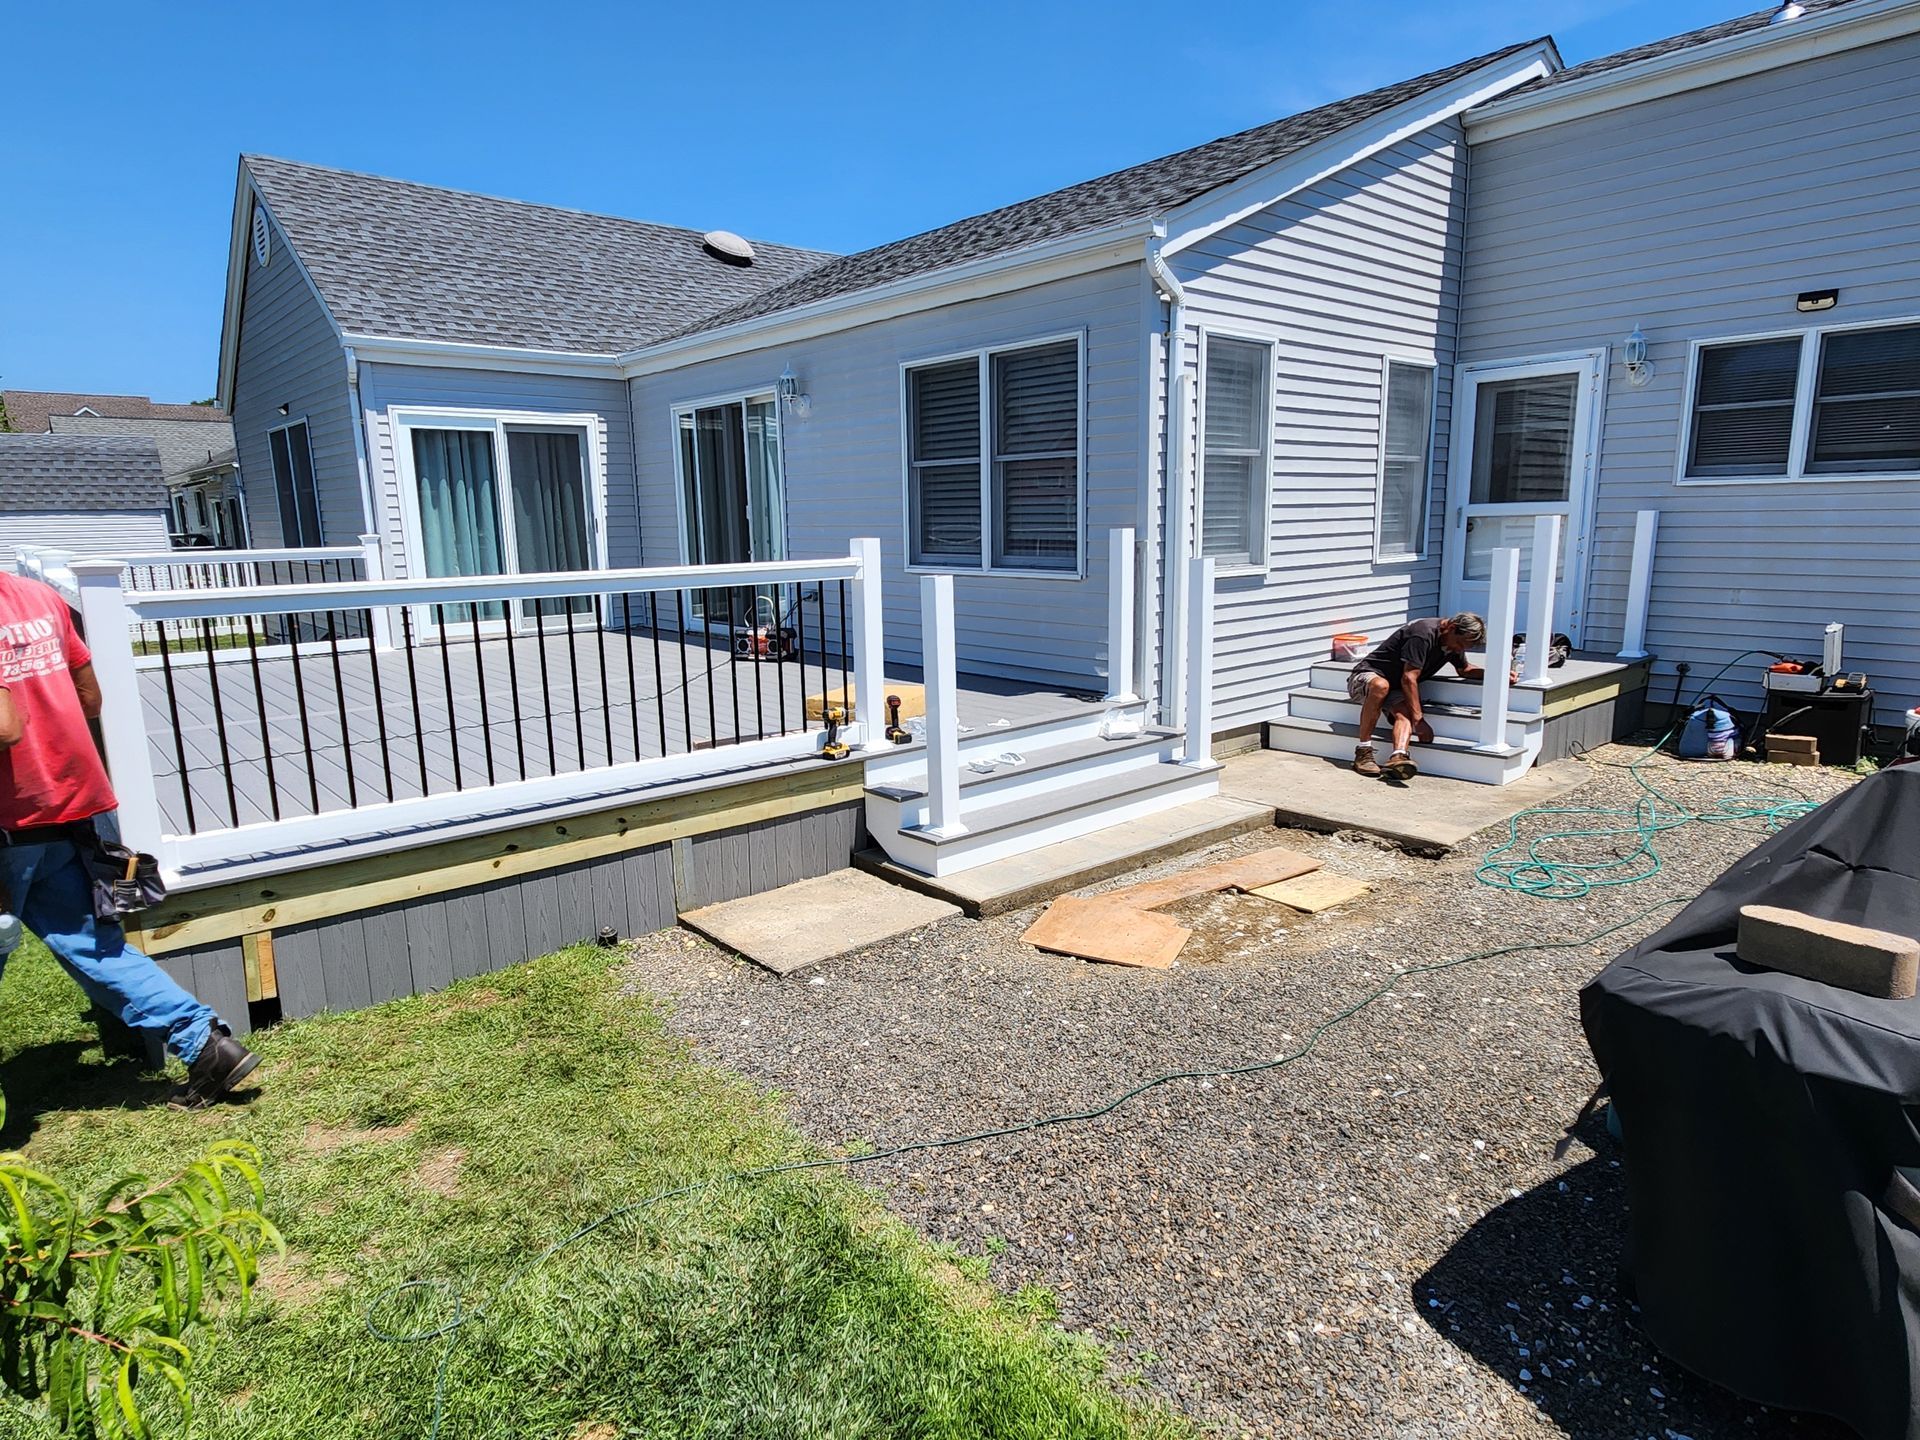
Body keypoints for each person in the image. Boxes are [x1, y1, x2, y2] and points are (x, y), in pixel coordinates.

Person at [0, 569, 259, 1108]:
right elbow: (89, 695)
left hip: (11, 821)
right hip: (75, 805)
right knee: (96, 949)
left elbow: (5, 727)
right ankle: (206, 1045)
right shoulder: (36, 595)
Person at [1346, 612, 1501, 781]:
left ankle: (1398, 758)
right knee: (1381, 686)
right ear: (1452, 628)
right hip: (1366, 678)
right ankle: (1363, 753)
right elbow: (1409, 677)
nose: (1459, 649)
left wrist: (1497, 675)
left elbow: (1464, 670)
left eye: (1465, 647)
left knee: (1404, 713)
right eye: (1460, 644)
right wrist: (1419, 721)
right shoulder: (1423, 633)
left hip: (1395, 686)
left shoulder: (1451, 642)